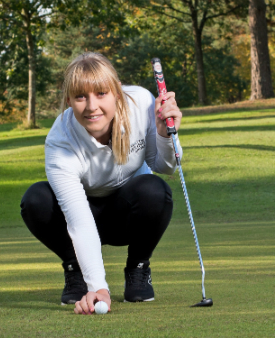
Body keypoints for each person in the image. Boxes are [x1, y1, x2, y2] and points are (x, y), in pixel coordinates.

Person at [20, 52, 182, 315]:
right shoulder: (60, 142)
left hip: (126, 213)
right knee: (36, 199)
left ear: (116, 93)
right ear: (69, 101)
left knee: (154, 190)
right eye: (80, 97)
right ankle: (76, 271)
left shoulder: (141, 102)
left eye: (101, 94)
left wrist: (165, 134)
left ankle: (138, 268)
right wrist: (98, 286)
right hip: (83, 215)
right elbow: (79, 220)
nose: (91, 106)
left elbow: (165, 167)